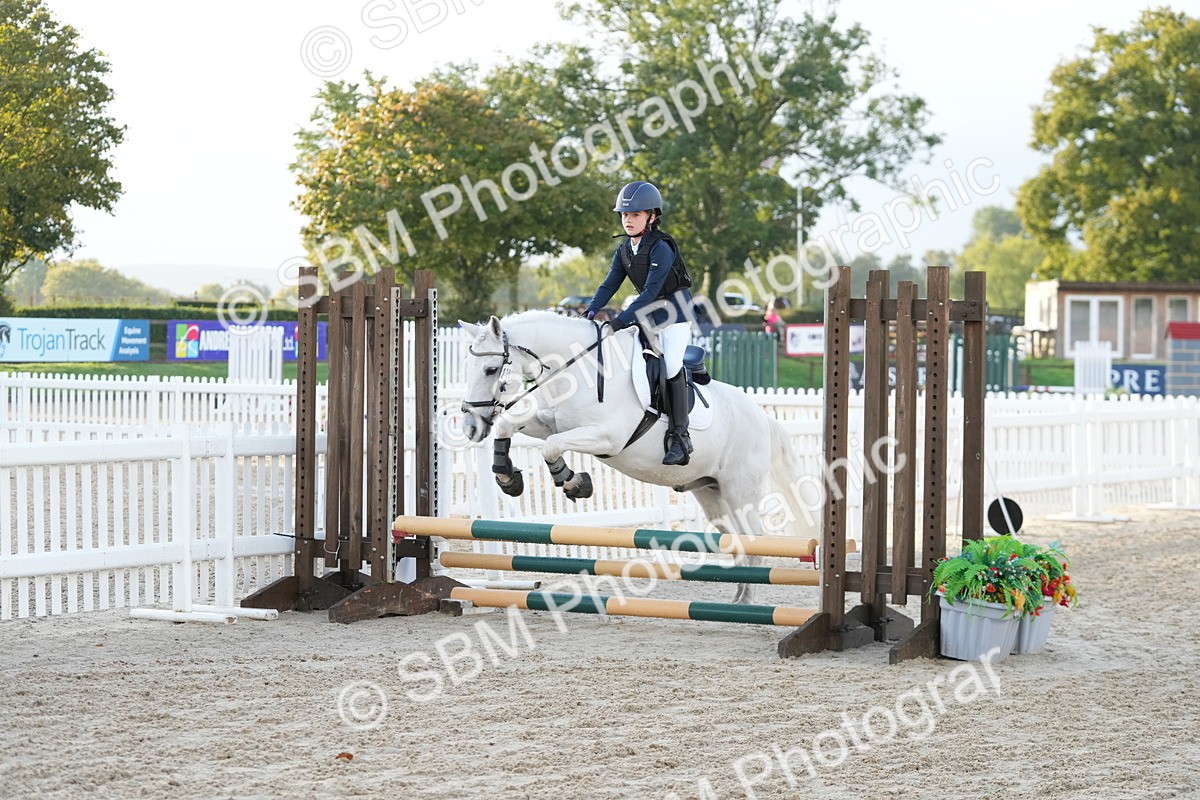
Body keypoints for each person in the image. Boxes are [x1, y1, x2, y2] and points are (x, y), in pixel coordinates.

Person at [584, 180, 696, 466]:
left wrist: (621, 320)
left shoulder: (662, 247)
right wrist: (590, 311)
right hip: (648, 317)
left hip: (675, 317)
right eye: (624, 215)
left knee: (670, 364)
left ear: (652, 216)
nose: (628, 220)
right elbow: (609, 285)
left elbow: (650, 292)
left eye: (635, 214)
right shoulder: (624, 250)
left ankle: (681, 438)